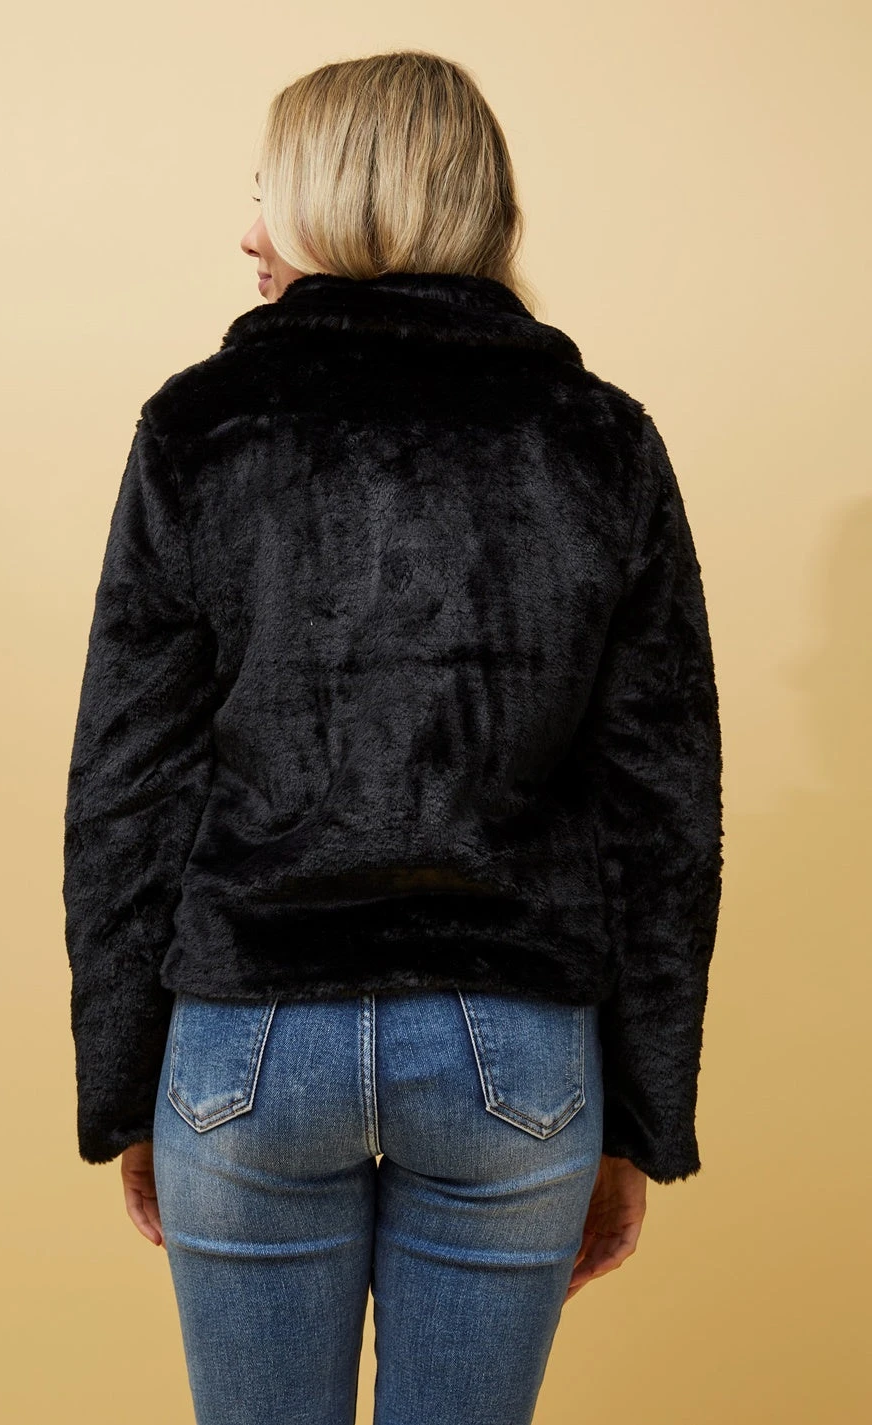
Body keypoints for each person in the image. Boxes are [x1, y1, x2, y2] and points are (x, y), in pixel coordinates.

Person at [61, 49, 723, 1425]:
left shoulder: (199, 429)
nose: (248, 229)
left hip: (249, 1043)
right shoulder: (601, 441)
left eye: (267, 188)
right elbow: (660, 808)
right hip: (516, 1053)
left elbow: (127, 788)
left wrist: (127, 1091)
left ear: (342, 196)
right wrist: (639, 1116)